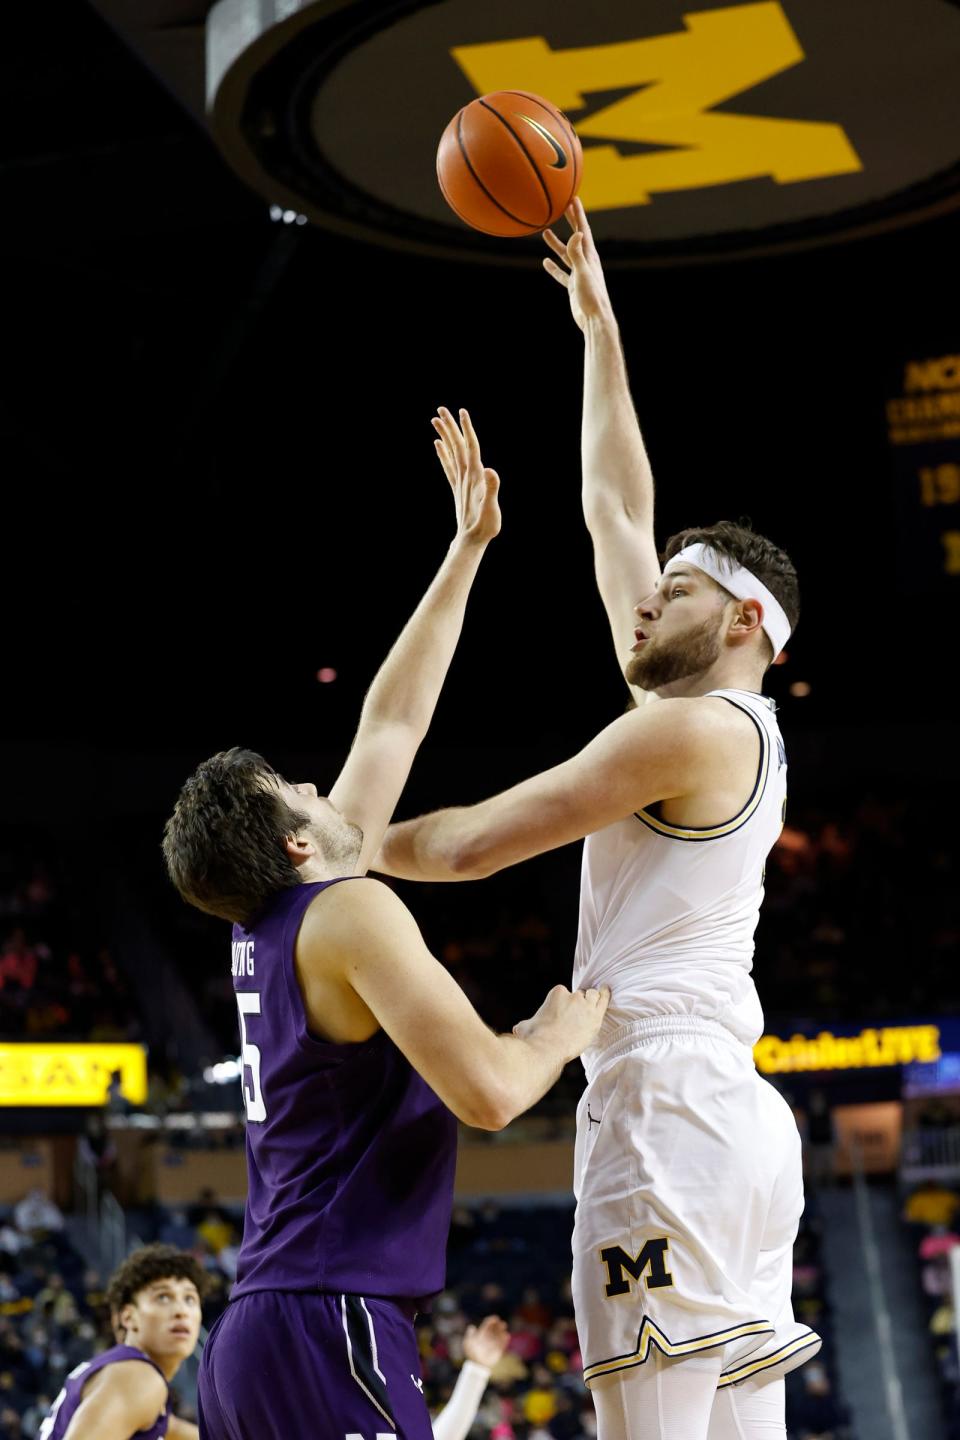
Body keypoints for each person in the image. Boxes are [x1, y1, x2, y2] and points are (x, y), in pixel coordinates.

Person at [372, 206, 821, 1439]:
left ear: (741, 624)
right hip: (729, 1121)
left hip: (664, 1109)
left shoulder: (683, 732)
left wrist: (350, 842)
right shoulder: (721, 725)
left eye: (674, 590)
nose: (642, 600)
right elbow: (615, 506)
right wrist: (599, 330)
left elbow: (469, 845)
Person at [161, 419, 609, 1440]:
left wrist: (466, 551)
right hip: (330, 1324)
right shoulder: (348, 910)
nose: (319, 784)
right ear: (296, 848)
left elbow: (391, 726)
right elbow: (491, 1093)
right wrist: (558, 1033)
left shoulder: (286, 919)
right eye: (296, 790)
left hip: (265, 1333)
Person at [38, 1243, 206, 1440]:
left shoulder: (124, 1376)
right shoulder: (137, 1376)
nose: (181, 1311)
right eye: (163, 1297)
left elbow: (174, 1429)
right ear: (128, 1317)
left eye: (190, 1299)